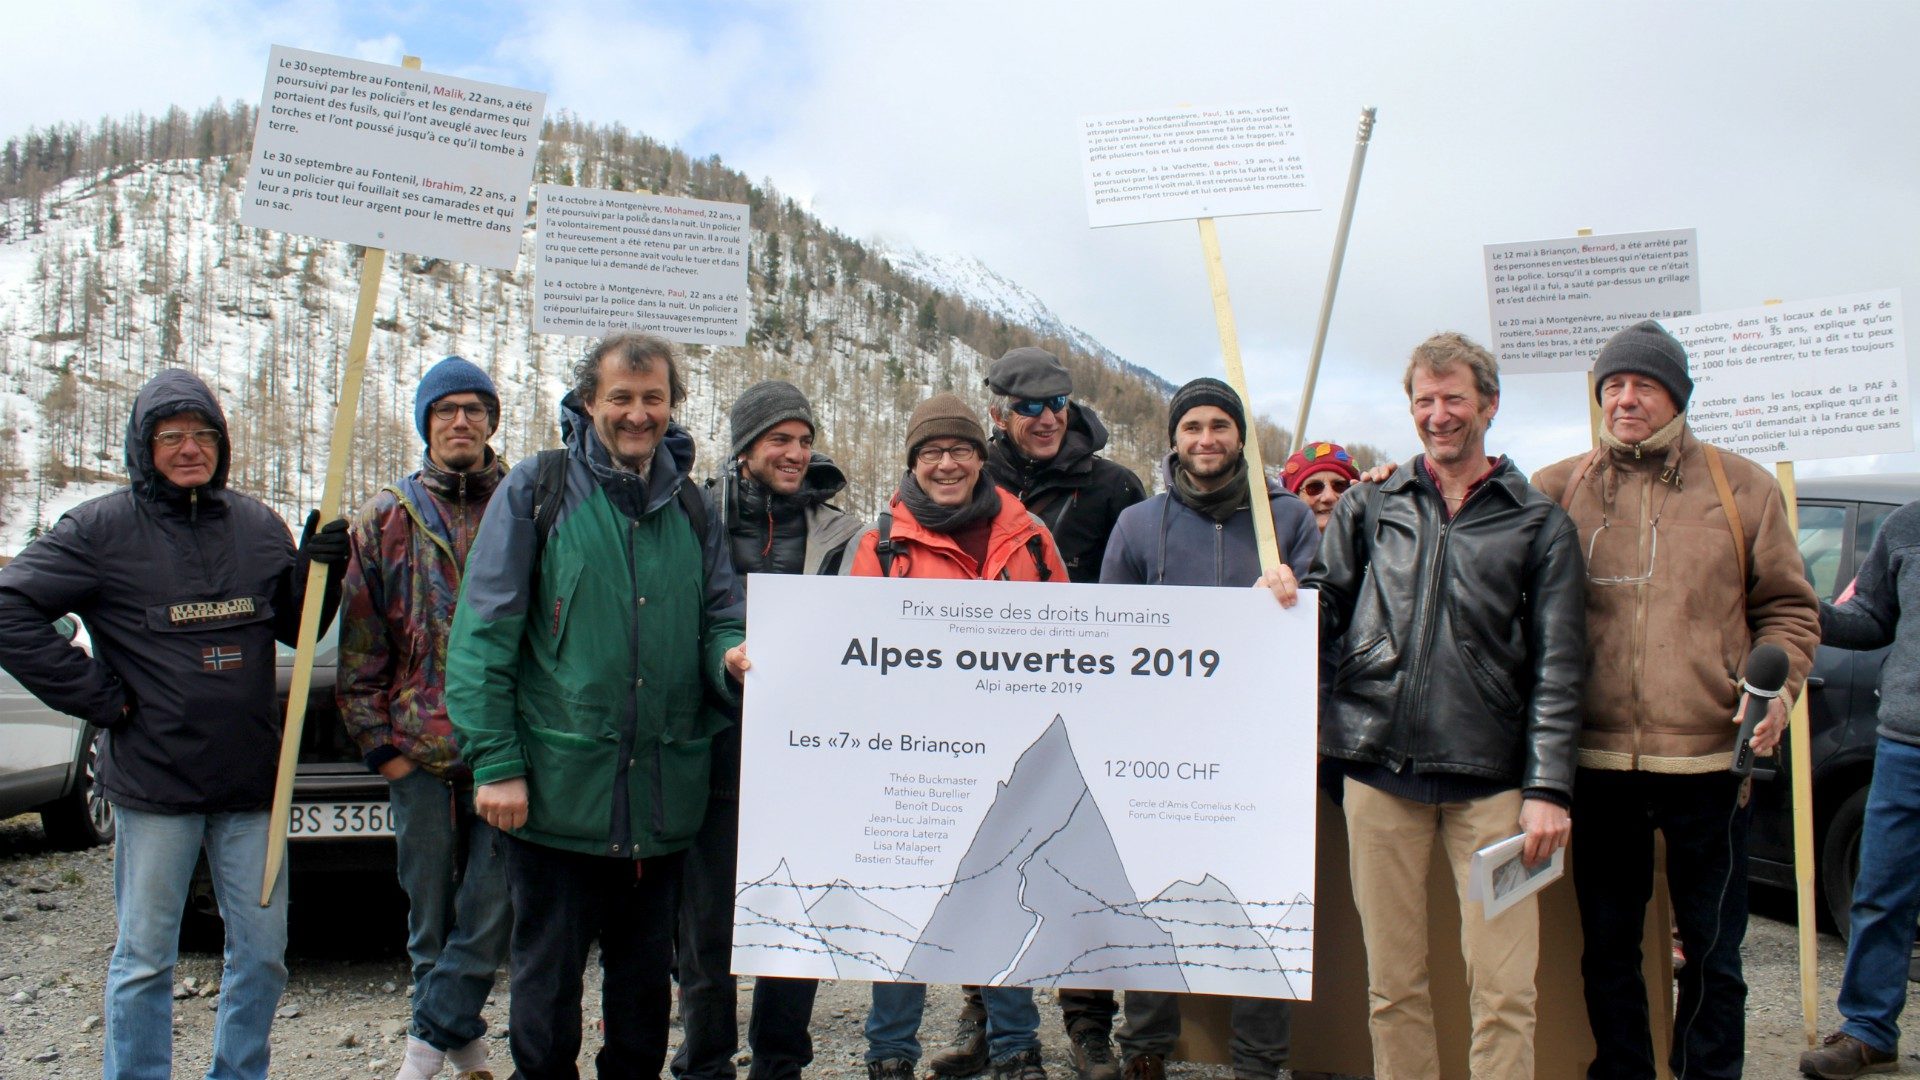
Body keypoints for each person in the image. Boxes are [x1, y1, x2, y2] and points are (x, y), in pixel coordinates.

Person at [0, 369, 347, 1080]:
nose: (190, 449)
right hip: (154, 788)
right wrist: (99, 696)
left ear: (222, 443)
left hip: (251, 788)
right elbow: (10, 609)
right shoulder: (98, 530)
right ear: (143, 446)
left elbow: (297, 630)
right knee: (144, 960)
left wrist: (319, 577)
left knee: (262, 955)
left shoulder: (255, 524)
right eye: (171, 436)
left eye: (203, 435)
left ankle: (238, 1071)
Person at [445, 331, 748, 1080]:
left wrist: (730, 657)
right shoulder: (538, 489)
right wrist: (497, 763)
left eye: (653, 398)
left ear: (672, 404)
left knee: (643, 1006)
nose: (638, 414)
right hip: (554, 800)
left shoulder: (692, 506)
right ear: (589, 402)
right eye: (621, 397)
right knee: (545, 1006)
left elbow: (722, 617)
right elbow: (483, 634)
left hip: (661, 804)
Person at [1534, 319, 1818, 1080]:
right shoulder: (1556, 488)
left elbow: (1790, 611)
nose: (1625, 400)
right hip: (1595, 766)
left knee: (1717, 958)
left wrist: (1781, 687)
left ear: (1677, 397)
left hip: (1711, 767)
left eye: (1644, 386)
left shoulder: (1743, 488)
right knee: (1608, 952)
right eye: (1613, 386)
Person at [1305, 332, 1585, 1079]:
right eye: (1424, 400)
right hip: (1377, 775)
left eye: (1454, 397)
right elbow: (1321, 607)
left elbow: (1561, 666)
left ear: (1489, 404)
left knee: (1504, 989)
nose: (1438, 415)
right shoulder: (1371, 503)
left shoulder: (1539, 523)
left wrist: (1548, 789)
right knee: (1392, 986)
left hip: (1494, 791)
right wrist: (1282, 599)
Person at [1100, 376, 1320, 1080]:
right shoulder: (1140, 524)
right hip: (1163, 746)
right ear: (1174, 438)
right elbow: (1110, 637)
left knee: (1263, 896)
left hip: (1262, 746)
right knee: (1154, 894)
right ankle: (1145, 1050)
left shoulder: (1287, 523)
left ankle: (1260, 1063)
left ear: (1240, 438)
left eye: (1219, 426)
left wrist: (1293, 600)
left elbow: (1325, 616)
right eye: (1192, 426)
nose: (1205, 439)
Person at [844, 391, 1068, 1080]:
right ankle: (889, 1051)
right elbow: (851, 649)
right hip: (911, 751)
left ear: (982, 456)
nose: (948, 463)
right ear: (913, 460)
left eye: (961, 449)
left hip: (1007, 752)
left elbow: (1068, 640)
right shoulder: (879, 544)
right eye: (933, 452)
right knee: (903, 894)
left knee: (1005, 889)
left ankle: (1015, 1046)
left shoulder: (1029, 537)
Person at [937, 347, 1144, 1080]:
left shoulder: (1115, 486)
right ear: (997, 412)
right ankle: (984, 1014)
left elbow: (1139, 596)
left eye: (1057, 402)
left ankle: (1089, 1025)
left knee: (1083, 861)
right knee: (988, 857)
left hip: (1084, 702)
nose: (1047, 417)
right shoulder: (970, 479)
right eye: (1028, 406)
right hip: (988, 700)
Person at [672, 380, 861, 1080]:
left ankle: (781, 1062)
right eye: (780, 439)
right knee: (707, 924)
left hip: (803, 753)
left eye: (805, 440)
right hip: (715, 741)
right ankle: (705, 1059)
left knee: (797, 916)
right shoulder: (695, 518)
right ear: (746, 447)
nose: (796, 452)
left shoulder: (841, 532)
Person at [337, 355, 511, 1080]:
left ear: (492, 421)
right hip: (419, 753)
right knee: (430, 919)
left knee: (492, 912)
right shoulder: (386, 516)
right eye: (446, 410)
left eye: (474, 408)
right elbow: (360, 644)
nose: (461, 421)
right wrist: (385, 750)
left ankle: (422, 1050)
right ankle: (460, 1050)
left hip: (507, 753)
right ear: (427, 425)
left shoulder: (526, 503)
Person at [1799, 504, 1920, 1079]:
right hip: (1906, 742)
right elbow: (1872, 616)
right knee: (1880, 890)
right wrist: (1804, 608)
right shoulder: (1907, 525)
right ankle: (1869, 1029)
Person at [1280, 441, 1360, 533]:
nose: (1329, 497)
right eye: (1314, 487)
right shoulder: (1271, 545)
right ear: (1294, 498)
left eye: (1340, 486)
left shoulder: (1373, 542)